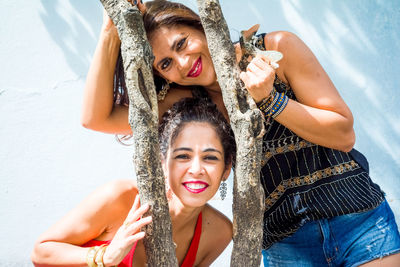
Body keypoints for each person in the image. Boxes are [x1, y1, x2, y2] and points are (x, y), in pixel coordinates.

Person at [81, 1, 400, 266]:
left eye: (182, 43)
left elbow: (343, 133)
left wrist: (271, 100)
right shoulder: (192, 104)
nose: (182, 62)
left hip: (356, 219)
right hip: (286, 245)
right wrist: (111, 31)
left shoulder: (275, 49)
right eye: (165, 63)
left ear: (200, 26)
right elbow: (97, 118)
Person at [31, 97, 235, 266]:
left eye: (210, 158)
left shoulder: (218, 233)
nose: (197, 169)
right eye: (183, 156)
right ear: (162, 163)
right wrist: (105, 256)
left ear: (226, 169)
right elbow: (40, 253)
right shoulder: (121, 198)